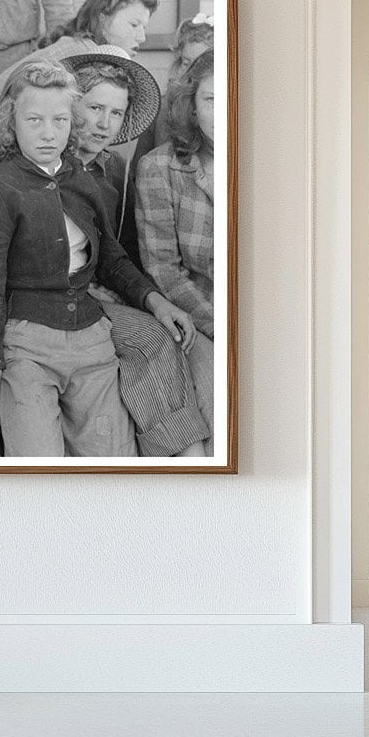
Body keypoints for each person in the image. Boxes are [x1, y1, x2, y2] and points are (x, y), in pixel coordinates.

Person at [0, 59, 195, 457]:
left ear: (72, 122)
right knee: (39, 467)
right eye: (34, 120)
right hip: (28, 342)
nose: (48, 133)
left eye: (60, 120)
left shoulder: (82, 179)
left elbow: (112, 257)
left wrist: (156, 302)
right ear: (12, 121)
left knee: (110, 461)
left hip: (92, 340)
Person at [61, 49, 211, 456]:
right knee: (150, 338)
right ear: (71, 104)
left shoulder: (113, 168)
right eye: (94, 108)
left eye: (115, 112)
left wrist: (150, 299)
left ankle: (190, 456)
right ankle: (184, 455)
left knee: (165, 331)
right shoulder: (44, 162)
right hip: (57, 299)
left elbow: (119, 250)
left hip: (107, 289)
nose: (103, 123)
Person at [136, 50, 216, 444]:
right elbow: (162, 267)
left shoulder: (275, 164)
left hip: (265, 322)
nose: (223, 111)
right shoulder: (158, 167)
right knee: (222, 409)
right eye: (211, 100)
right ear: (192, 107)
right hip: (198, 317)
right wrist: (220, 324)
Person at [0, 0, 160, 128]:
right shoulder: (81, 54)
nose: (141, 37)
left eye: (144, 27)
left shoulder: (82, 48)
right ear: (102, 19)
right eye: (134, 24)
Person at [128, 13, 214, 184]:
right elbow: (137, 169)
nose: (191, 72)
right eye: (185, 62)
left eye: (200, 65)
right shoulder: (160, 108)